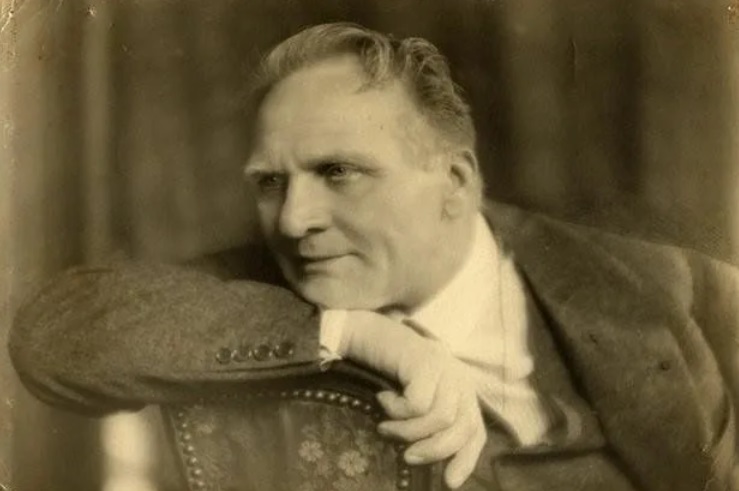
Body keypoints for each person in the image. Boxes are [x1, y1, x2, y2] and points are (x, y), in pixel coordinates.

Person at [9, 22, 739, 491]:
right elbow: (52, 334)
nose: (293, 220)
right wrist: (356, 333)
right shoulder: (258, 290)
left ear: (453, 182)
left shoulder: (656, 277)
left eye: (338, 172)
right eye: (270, 182)